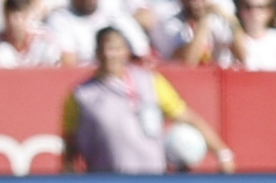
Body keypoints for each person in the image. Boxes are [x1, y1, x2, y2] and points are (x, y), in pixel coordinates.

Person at [59, 25, 228, 172]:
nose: (109, 54)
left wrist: (222, 153)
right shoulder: (81, 95)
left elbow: (187, 117)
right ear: (97, 52)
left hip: (152, 181)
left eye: (115, 48)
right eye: (104, 49)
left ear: (126, 51)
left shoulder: (150, 82)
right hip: (105, 182)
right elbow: (70, 144)